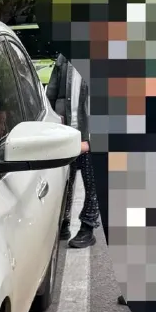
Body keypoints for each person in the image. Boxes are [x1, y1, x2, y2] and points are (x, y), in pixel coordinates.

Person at [46, 52, 98, 249]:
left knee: (92, 184)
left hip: (91, 135)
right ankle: (64, 222)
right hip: (66, 131)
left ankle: (88, 227)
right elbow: (51, 93)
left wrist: (91, 142)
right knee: (65, 180)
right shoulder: (63, 58)